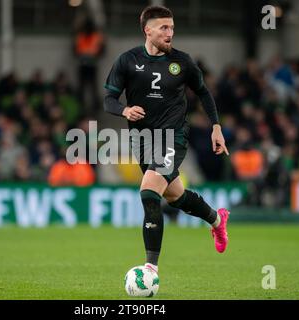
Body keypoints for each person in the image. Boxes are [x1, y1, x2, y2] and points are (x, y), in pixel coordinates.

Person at [103, 5, 230, 274]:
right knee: (176, 197)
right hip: (143, 140)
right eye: (164, 28)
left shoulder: (183, 62)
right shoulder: (127, 61)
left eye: (172, 27)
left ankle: (151, 269)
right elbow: (109, 100)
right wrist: (124, 110)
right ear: (147, 30)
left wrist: (216, 127)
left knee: (149, 192)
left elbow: (204, 93)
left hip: (173, 137)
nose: (170, 32)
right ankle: (217, 221)